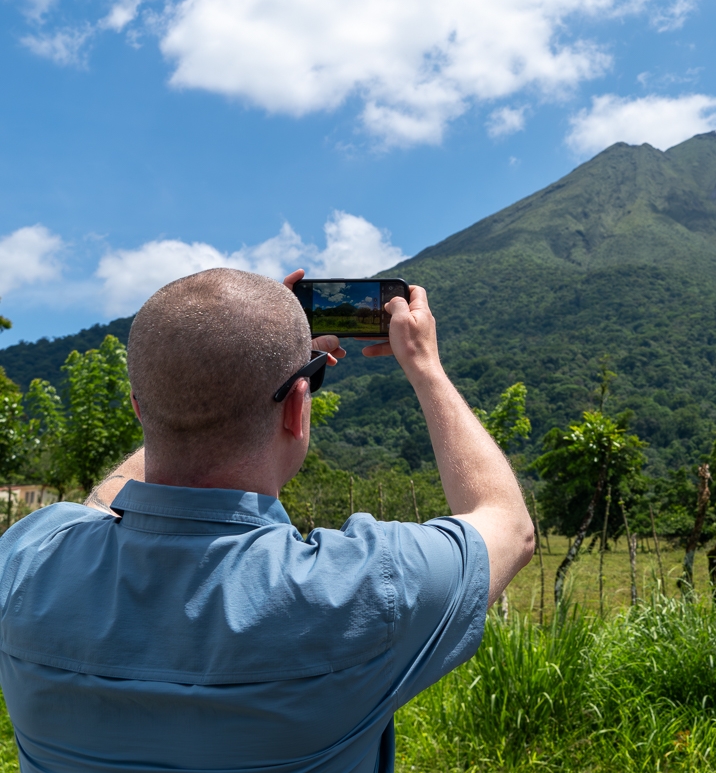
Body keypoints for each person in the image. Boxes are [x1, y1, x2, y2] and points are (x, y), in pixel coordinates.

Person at [0, 268, 535, 773]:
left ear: (141, 409)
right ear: (297, 408)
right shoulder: (365, 588)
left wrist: (199, 383)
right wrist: (425, 367)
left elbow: (104, 501)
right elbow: (508, 525)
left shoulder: (26, 559)